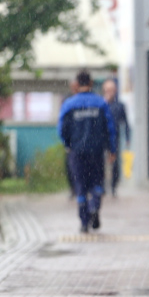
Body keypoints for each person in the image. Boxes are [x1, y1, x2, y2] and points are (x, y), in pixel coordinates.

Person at [58, 70, 117, 233]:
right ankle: (94, 207)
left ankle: (84, 222)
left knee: (81, 187)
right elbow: (110, 128)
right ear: (91, 83)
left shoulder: (69, 105)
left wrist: (68, 144)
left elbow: (62, 129)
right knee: (97, 183)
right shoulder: (101, 104)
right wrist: (111, 149)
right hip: (96, 152)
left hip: (76, 152)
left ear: (77, 84)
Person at [102, 79, 131, 196]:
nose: (110, 92)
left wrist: (128, 138)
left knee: (114, 164)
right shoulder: (101, 104)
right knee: (102, 163)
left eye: (112, 90)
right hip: (102, 138)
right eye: (108, 90)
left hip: (115, 138)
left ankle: (113, 187)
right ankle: (102, 186)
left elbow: (126, 122)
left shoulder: (119, 105)